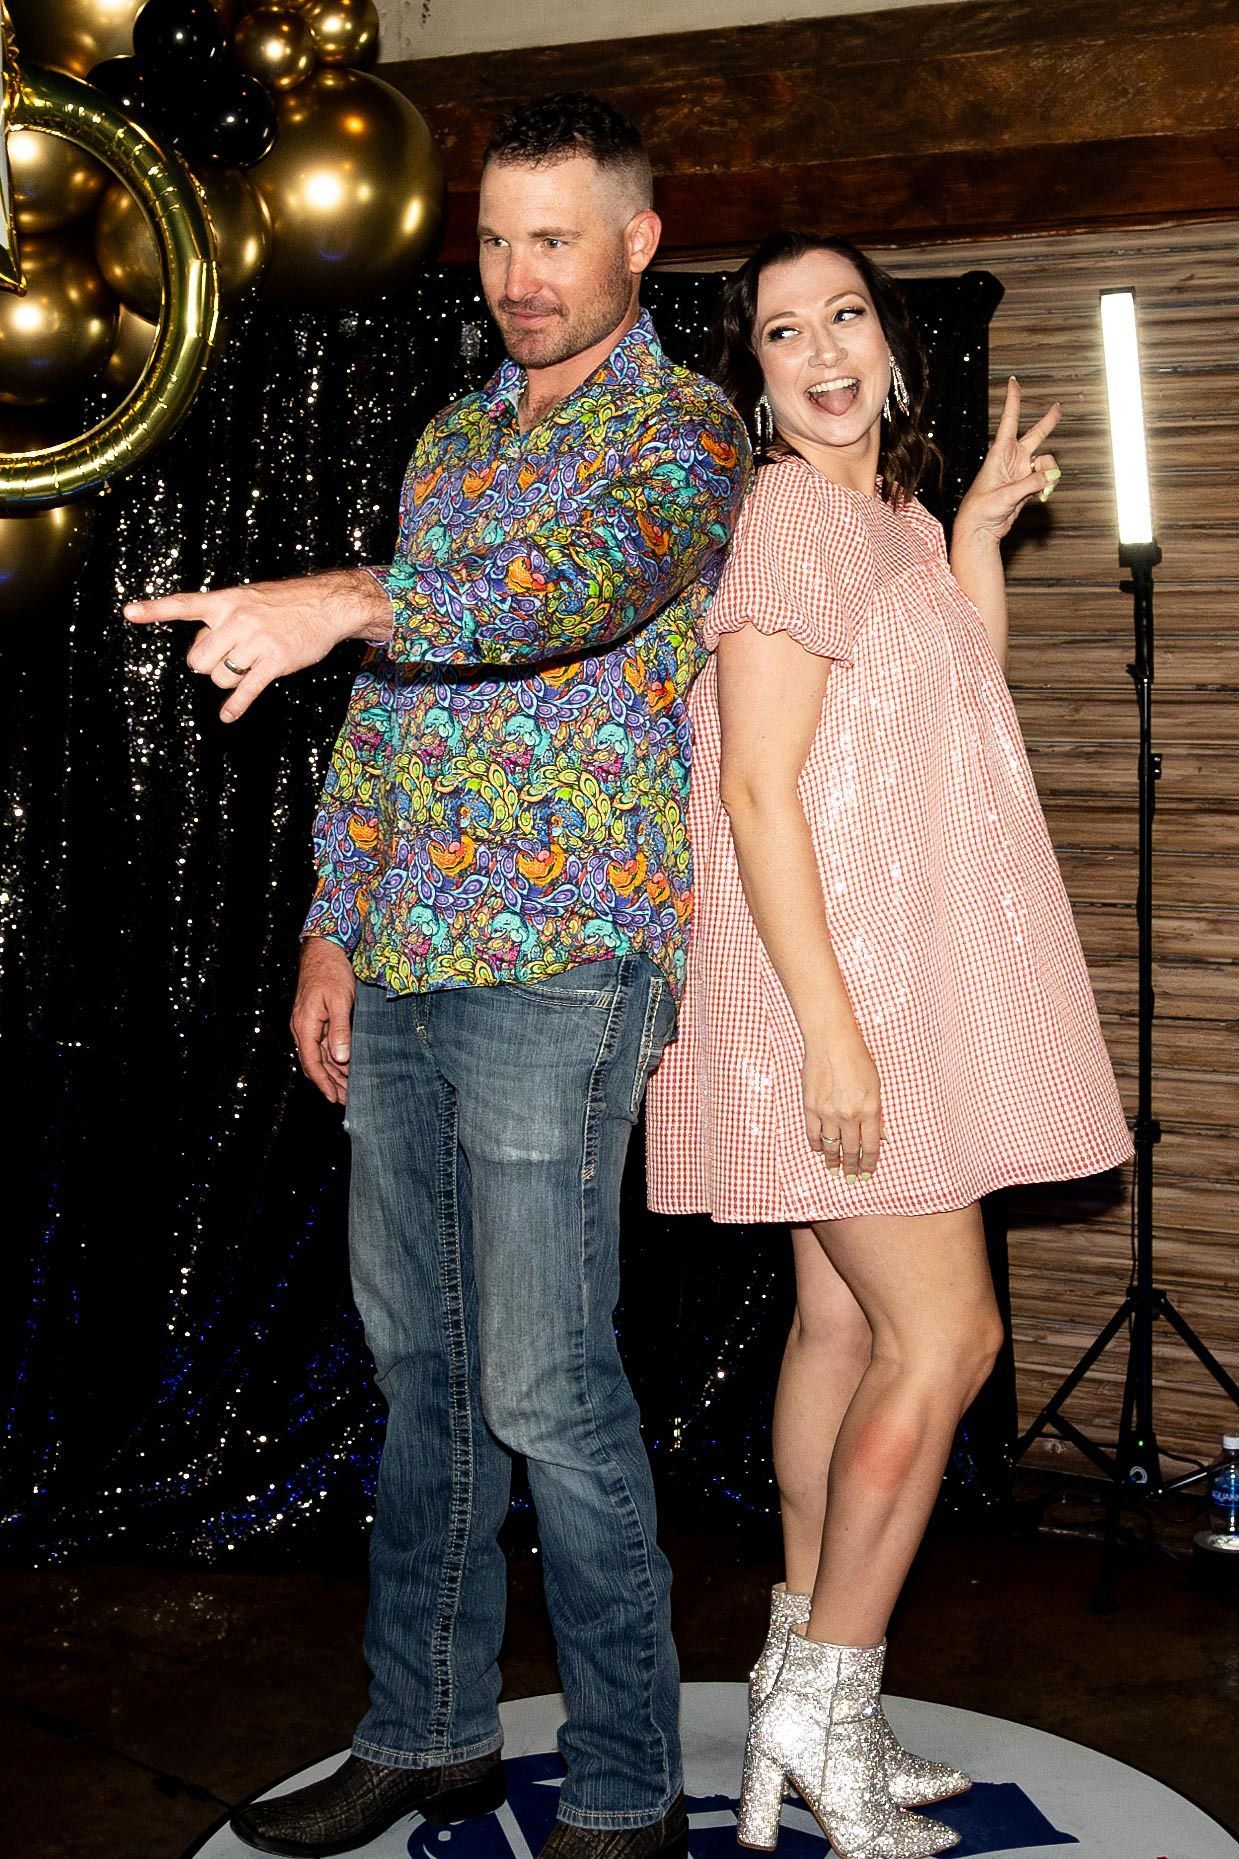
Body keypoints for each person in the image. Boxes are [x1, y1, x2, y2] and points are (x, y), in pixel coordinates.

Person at [126, 94, 749, 1859]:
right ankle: (427, 1731)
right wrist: (333, 925)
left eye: (555, 239)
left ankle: (625, 1782)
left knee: (547, 1383)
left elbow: (569, 591)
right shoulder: (453, 434)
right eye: (492, 240)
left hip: (563, 966)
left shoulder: (689, 434)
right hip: (403, 959)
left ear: (638, 242)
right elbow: (395, 717)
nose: (515, 275)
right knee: (422, 1369)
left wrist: (340, 597)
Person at [645, 232, 1134, 1859]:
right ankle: (828, 1700)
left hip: (883, 980)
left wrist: (976, 535)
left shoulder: (894, 522)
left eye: (844, 315)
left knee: (845, 1327)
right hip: (831, 987)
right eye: (784, 332)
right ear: (757, 377)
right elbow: (754, 791)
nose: (823, 352)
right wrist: (831, 1040)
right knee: (954, 1340)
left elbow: (959, 705)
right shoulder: (787, 515)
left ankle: (798, 1691)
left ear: (891, 343)